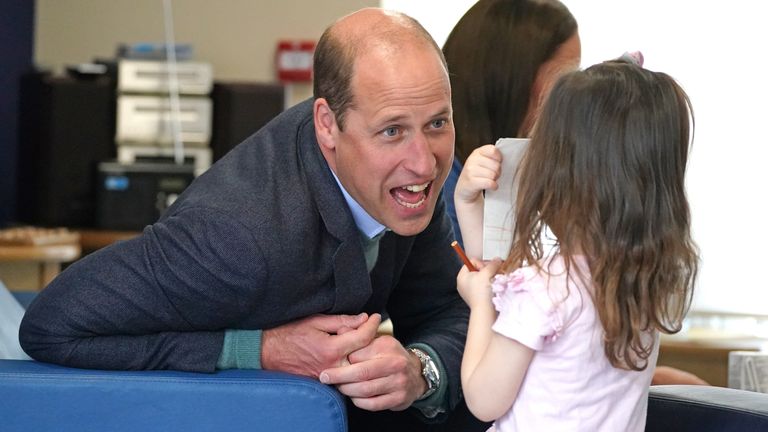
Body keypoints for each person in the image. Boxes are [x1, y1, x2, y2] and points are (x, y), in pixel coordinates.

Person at [19, 8, 487, 431]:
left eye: (437, 123)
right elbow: (52, 326)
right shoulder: (236, 237)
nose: (425, 164)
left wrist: (422, 369)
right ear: (327, 124)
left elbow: (451, 308)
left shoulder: (408, 186)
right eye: (392, 131)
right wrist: (254, 349)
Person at [453, 57, 699, 430]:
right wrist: (467, 201)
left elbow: (482, 399)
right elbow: (492, 267)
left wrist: (480, 304)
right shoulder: (648, 281)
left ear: (561, 176)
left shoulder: (546, 287)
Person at [441, 0, 581, 247]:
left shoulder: (522, 167)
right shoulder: (444, 186)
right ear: (513, 78)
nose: (570, 94)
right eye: (562, 78)